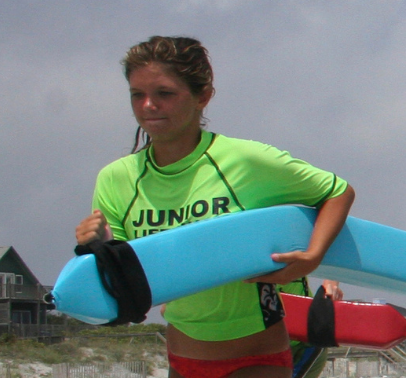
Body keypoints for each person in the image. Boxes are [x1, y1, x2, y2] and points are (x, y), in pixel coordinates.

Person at [74, 36, 358, 378]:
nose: (148, 105)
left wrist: (311, 257)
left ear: (203, 96)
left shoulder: (246, 161)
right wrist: (97, 247)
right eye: (138, 94)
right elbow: (123, 290)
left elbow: (337, 192)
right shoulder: (116, 179)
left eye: (165, 93)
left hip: (258, 356)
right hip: (182, 359)